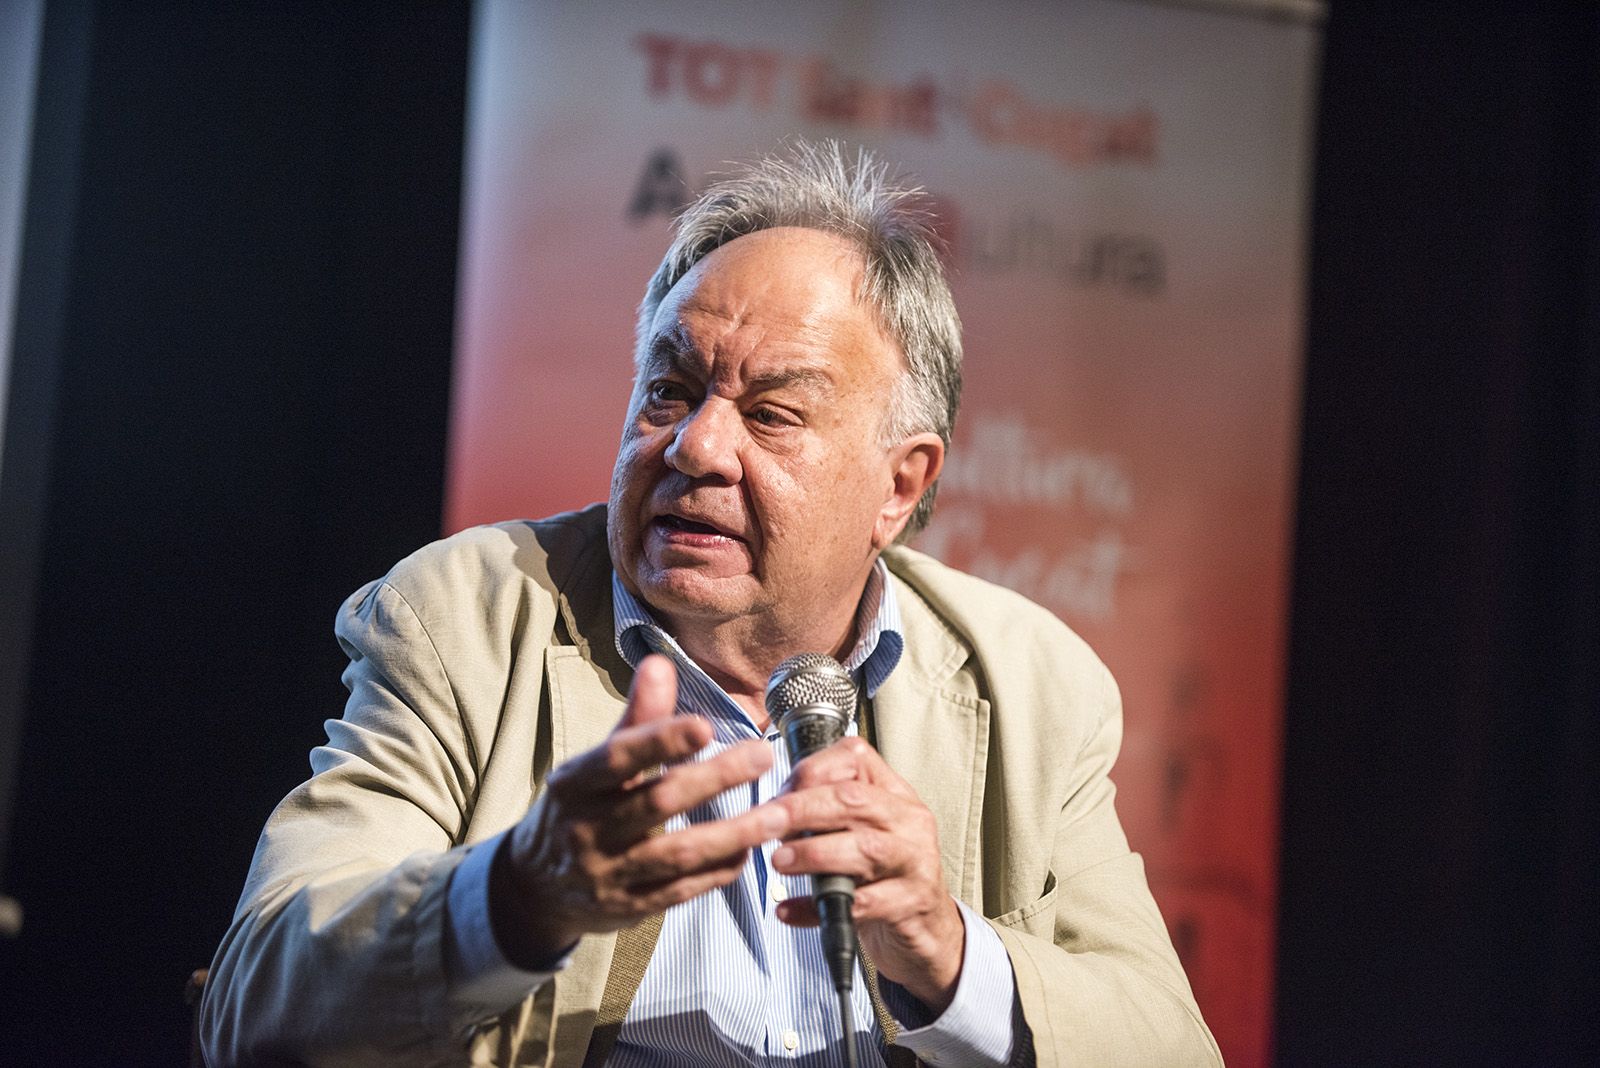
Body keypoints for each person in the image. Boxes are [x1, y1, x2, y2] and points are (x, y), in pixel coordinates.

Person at [199, 142, 1220, 1067]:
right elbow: (254, 1005)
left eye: (771, 414)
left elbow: (1172, 1047)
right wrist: (512, 895)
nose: (696, 447)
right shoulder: (466, 619)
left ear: (899, 486)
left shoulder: (1031, 685)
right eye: (670, 391)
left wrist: (946, 951)